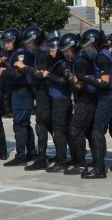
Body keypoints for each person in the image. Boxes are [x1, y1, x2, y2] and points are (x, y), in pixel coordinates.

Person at [80, 28, 112, 180]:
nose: (88, 50)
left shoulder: (102, 57)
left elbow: (104, 83)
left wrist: (85, 78)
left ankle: (99, 168)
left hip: (108, 95)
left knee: (97, 131)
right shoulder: (107, 53)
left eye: (89, 46)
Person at [0, 28, 37, 166]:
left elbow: (19, 74)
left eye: (8, 42)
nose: (6, 45)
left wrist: (3, 72)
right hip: (20, 91)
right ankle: (32, 153)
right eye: (5, 43)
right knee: (24, 124)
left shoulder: (20, 53)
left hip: (22, 91)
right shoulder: (16, 53)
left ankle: (21, 156)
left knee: (20, 124)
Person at [19, 26, 51, 171]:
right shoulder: (40, 52)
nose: (29, 46)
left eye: (30, 43)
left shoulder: (43, 53)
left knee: (41, 124)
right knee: (47, 124)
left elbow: (40, 74)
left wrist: (24, 67)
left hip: (44, 92)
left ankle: (42, 158)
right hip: (41, 91)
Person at [65, 33, 97, 176]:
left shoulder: (80, 60)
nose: (66, 53)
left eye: (67, 50)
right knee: (89, 130)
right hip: (87, 97)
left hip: (86, 97)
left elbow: (79, 84)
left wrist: (69, 77)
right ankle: (95, 161)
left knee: (76, 129)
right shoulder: (81, 57)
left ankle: (81, 164)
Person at [44, 33, 75, 173]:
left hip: (61, 100)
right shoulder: (56, 62)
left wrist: (48, 75)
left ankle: (61, 162)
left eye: (53, 49)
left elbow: (65, 81)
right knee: (65, 131)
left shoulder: (62, 64)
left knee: (59, 132)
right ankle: (73, 157)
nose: (50, 52)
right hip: (59, 99)